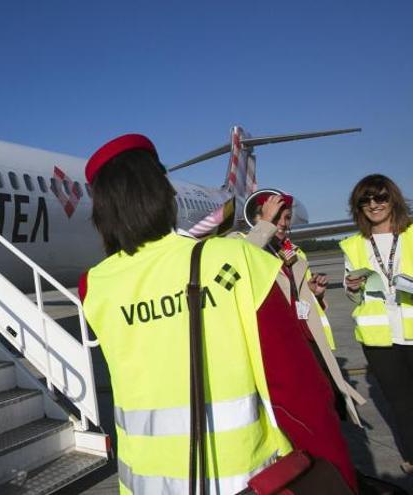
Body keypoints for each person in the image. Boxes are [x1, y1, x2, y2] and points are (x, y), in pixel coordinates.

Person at [79, 134, 356, 493]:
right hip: (247, 481)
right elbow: (298, 392)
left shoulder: (95, 286)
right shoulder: (236, 260)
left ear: (101, 209)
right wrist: (340, 478)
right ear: (164, 192)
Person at [234, 191, 365, 423]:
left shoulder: (288, 250)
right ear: (257, 218)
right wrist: (266, 225)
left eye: (285, 218)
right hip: (275, 343)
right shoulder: (238, 243)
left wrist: (313, 294)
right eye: (275, 217)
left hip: (303, 337)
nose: (282, 224)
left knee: (323, 403)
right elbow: (238, 266)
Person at [341, 174, 413, 474]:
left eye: (380, 197)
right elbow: (354, 296)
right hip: (379, 338)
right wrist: (352, 286)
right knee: (401, 403)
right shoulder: (353, 245)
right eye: (366, 200)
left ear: (392, 199)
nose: (374, 204)